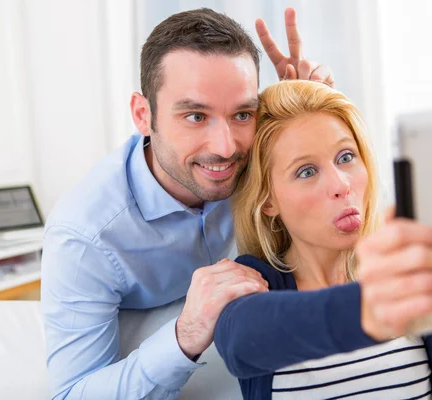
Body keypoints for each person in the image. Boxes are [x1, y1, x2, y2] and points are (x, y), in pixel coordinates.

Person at [41, 7, 334, 400]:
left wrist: (306, 117)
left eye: (242, 113)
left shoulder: (261, 156)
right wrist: (187, 332)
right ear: (143, 115)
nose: (225, 147)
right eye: (196, 116)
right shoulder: (84, 235)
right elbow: (72, 393)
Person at [214, 80, 432, 399]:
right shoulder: (251, 283)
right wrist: (369, 309)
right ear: (268, 200)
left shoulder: (411, 271)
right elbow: (243, 342)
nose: (342, 184)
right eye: (306, 171)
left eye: (346, 157)